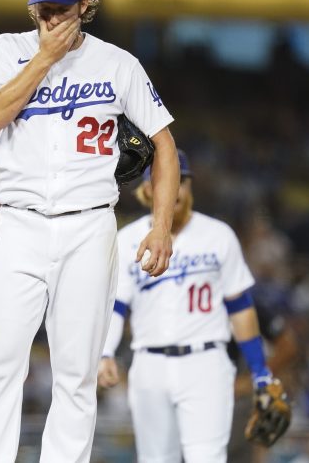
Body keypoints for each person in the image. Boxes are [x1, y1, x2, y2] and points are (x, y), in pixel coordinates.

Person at [0, 0, 180, 462]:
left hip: (88, 225)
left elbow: (164, 145)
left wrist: (161, 225)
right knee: (0, 369)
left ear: (86, 6)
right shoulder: (8, 49)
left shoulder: (118, 64)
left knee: (77, 375)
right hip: (19, 222)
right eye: (44, 10)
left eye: (63, 10)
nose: (53, 20)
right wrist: (41, 60)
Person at [98, 150, 283, 462]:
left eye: (181, 181)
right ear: (146, 191)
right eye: (164, 181)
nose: (176, 189)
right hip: (149, 365)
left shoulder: (218, 235)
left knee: (207, 458)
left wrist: (260, 372)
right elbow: (116, 306)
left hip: (206, 363)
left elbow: (241, 308)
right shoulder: (127, 240)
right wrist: (105, 353)